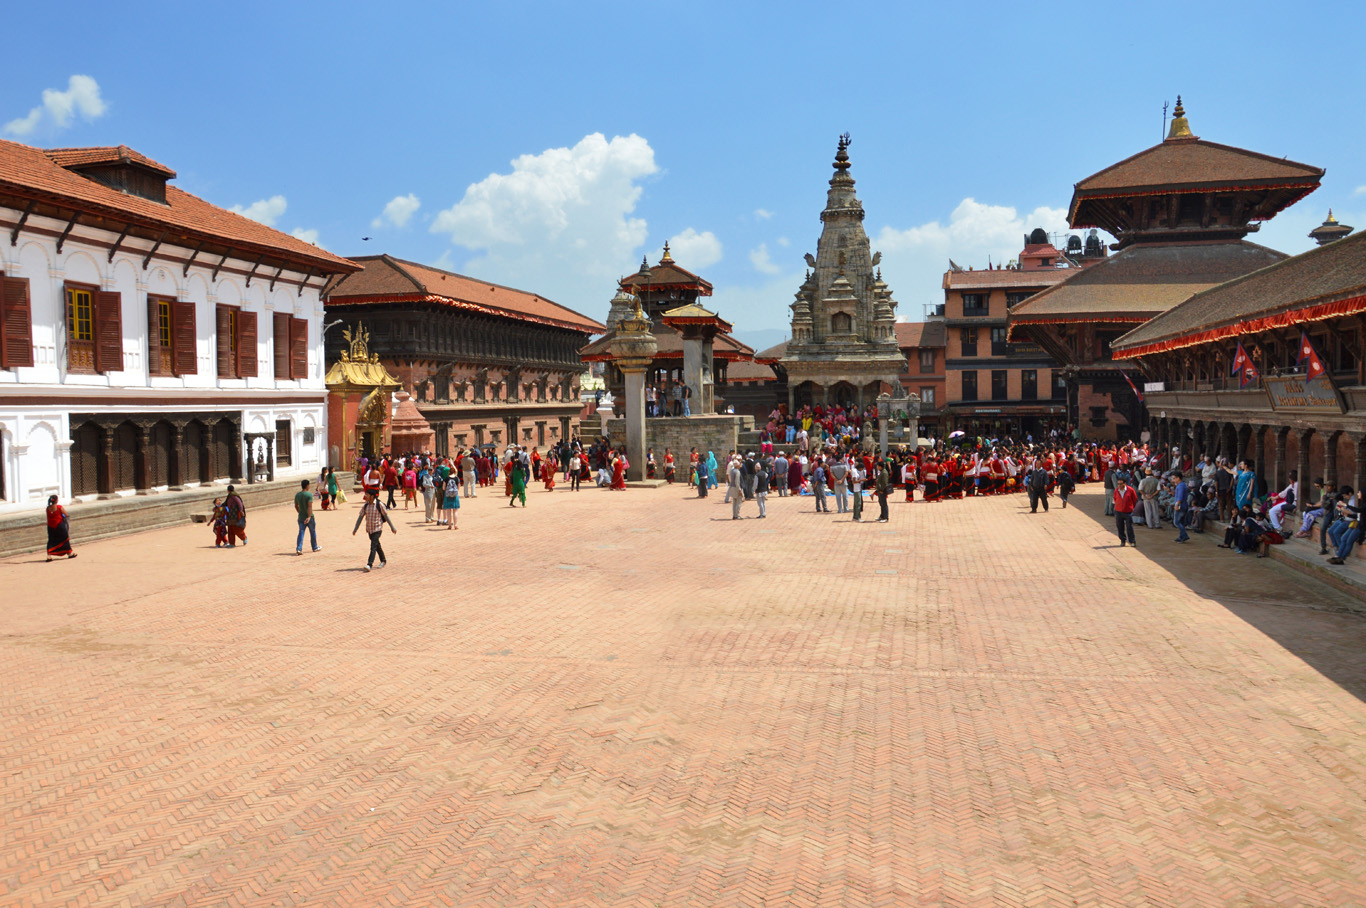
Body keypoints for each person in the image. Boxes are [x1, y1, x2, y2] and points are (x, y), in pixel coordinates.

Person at [352, 489, 396, 572]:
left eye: (367, 495)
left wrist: (392, 527)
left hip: (377, 529)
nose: (365, 496)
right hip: (369, 529)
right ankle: (383, 560)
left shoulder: (379, 505)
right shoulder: (365, 506)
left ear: (372, 496)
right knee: (377, 545)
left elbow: (386, 517)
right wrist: (355, 529)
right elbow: (360, 518)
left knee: (373, 547)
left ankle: (369, 564)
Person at [45, 495, 77, 561]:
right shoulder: (59, 507)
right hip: (59, 525)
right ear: (56, 500)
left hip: (51, 526)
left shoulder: (47, 508)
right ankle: (69, 553)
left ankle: (49, 556)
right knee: (65, 539)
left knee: (51, 540)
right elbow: (66, 514)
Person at [295, 479, 321, 555]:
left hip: (301, 517)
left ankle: (299, 548)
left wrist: (299, 512)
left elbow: (296, 506)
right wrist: (309, 517)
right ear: (307, 486)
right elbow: (309, 506)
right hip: (309, 517)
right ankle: (314, 547)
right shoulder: (309, 495)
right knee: (312, 532)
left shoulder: (298, 495)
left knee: (301, 532)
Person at [1112, 475, 1138, 547]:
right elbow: (1115, 499)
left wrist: (1131, 507)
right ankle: (1123, 540)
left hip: (1128, 511)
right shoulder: (1116, 490)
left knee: (1129, 527)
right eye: (1118, 484)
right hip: (1118, 511)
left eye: (1121, 484)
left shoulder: (1130, 490)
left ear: (1124, 484)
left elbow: (1134, 499)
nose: (1119, 485)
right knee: (1120, 527)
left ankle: (1132, 541)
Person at [1172, 471, 1190, 543]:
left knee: (1177, 522)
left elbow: (1180, 497)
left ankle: (1184, 535)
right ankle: (1181, 536)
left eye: (1174, 478)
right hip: (1183, 505)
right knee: (1181, 522)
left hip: (1181, 506)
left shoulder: (1180, 486)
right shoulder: (1182, 485)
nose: (1173, 480)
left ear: (1178, 478)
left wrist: (1177, 505)